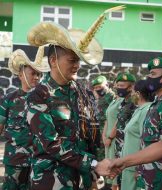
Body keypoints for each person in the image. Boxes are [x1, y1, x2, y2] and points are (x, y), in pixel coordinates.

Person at [26, 21, 111, 189]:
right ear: (53, 60)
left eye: (78, 61)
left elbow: (92, 136)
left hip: (82, 178)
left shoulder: (83, 92)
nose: (77, 65)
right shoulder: (38, 96)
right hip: (52, 179)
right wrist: (92, 164)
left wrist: (95, 171)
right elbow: (51, 143)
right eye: (72, 60)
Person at [109, 57, 162, 190]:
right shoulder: (157, 103)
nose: (148, 77)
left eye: (153, 74)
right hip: (147, 175)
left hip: (160, 178)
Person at [0, 48, 50, 189]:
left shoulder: (45, 100)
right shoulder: (9, 99)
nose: (36, 77)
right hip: (15, 162)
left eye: (39, 74)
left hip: (39, 162)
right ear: (21, 74)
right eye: (33, 73)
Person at [120, 80, 153, 190]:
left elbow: (145, 140)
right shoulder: (139, 109)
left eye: (133, 92)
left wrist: (140, 168)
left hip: (135, 166)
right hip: (128, 165)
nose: (131, 95)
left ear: (138, 94)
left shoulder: (146, 110)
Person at [102, 80, 123, 190]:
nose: (118, 87)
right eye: (118, 85)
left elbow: (118, 121)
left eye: (121, 85)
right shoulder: (115, 100)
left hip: (115, 139)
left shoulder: (123, 102)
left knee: (115, 171)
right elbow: (107, 120)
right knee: (110, 171)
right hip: (108, 140)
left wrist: (110, 137)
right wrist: (104, 136)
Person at [91, 75, 115, 161]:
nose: (98, 89)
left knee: (106, 154)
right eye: (96, 87)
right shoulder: (99, 97)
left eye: (100, 87)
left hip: (107, 129)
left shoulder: (112, 97)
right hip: (99, 129)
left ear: (107, 85)